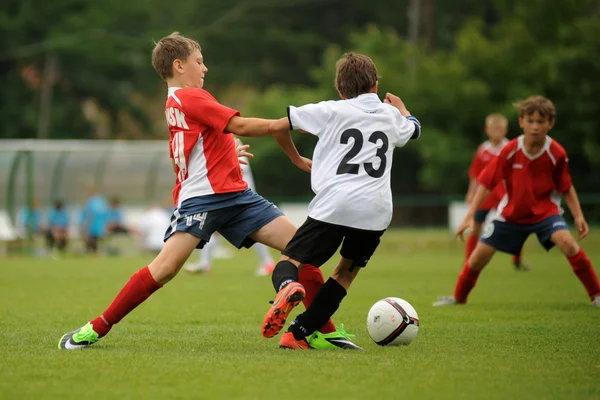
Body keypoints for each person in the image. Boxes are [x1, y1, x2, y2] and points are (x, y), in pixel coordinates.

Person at [58, 32, 359, 350]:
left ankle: (320, 330)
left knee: (302, 250)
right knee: (164, 268)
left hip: (237, 196)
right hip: (203, 199)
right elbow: (239, 126)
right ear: (178, 65)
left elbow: (197, 142)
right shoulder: (190, 96)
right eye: (199, 62)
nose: (204, 69)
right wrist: (288, 122)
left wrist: (229, 154)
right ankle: (96, 327)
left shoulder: (178, 101)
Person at [259, 52, 421, 349]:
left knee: (290, 261)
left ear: (340, 90)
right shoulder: (390, 116)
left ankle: (287, 287)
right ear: (375, 84)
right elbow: (414, 130)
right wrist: (403, 109)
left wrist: (296, 159)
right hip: (376, 209)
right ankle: (296, 334)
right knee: (345, 274)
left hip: (335, 204)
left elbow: (278, 127)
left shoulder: (331, 110)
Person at [433, 96, 600, 307]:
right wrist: (469, 216)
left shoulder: (556, 153)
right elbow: (485, 183)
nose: (535, 127)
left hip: (545, 213)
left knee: (568, 243)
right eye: (530, 121)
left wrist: (578, 216)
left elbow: (566, 187)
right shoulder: (510, 150)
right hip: (510, 214)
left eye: (541, 122)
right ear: (521, 122)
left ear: (551, 123)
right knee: (477, 258)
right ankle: (458, 298)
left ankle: (597, 295)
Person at [184, 140, 275, 276]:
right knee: (213, 229)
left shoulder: (231, 142)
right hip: (232, 194)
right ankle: (204, 264)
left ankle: (268, 263)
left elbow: (235, 170)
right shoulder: (224, 141)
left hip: (239, 196)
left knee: (252, 229)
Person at [465, 113, 529, 271]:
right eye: (493, 128)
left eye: (499, 128)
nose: (496, 131)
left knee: (516, 228)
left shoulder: (511, 148)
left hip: (504, 196)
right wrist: (470, 192)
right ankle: (469, 262)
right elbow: (475, 174)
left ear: (505, 129)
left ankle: (517, 261)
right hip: (484, 197)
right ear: (487, 130)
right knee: (475, 227)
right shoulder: (483, 150)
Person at [80, 188, 110, 254]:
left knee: (91, 237)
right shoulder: (102, 201)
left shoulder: (90, 202)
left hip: (92, 224)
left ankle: (91, 251)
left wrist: (84, 226)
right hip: (100, 224)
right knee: (98, 238)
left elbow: (88, 214)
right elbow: (106, 213)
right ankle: (98, 251)